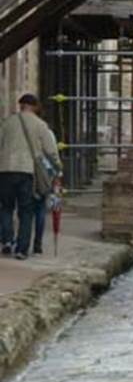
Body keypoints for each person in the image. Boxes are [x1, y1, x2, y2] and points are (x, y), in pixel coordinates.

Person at [0, 94, 62, 260]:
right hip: (27, 171)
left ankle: (6, 240)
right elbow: (50, 150)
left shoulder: (7, 123)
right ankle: (21, 249)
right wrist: (57, 168)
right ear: (34, 106)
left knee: (6, 207)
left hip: (5, 169)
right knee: (25, 211)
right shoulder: (40, 125)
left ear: (21, 105)